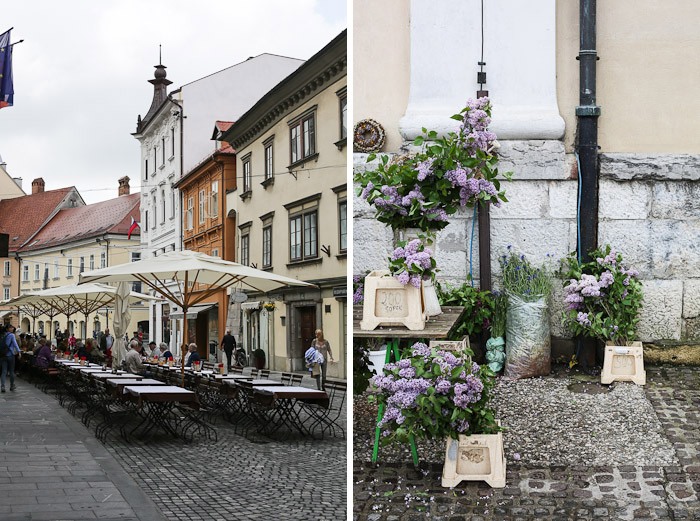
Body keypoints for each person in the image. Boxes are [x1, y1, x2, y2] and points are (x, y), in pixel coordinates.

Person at [1, 324, 21, 392]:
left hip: (3, 355)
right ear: (8, 329)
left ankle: (2, 386)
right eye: (11, 327)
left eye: (12, 327)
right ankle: (12, 385)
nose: (12, 328)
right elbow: (15, 344)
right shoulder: (12, 335)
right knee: (11, 371)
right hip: (10, 355)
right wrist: (19, 351)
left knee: (4, 371)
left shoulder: (3, 335)